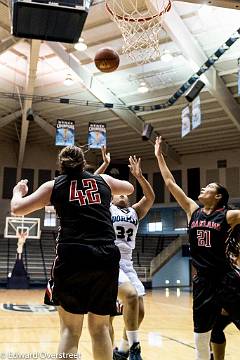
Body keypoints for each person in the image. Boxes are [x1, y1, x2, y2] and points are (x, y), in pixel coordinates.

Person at [11, 145, 134, 360]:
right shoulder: (103, 181)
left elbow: (17, 209)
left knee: (70, 330)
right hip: (105, 257)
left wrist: (17, 192)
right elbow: (129, 188)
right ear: (84, 162)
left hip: (73, 256)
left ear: (61, 165)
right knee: (101, 329)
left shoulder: (54, 185)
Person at [154, 136, 240, 360]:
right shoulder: (193, 210)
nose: (203, 188)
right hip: (202, 281)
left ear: (218, 196)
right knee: (201, 335)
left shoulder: (228, 215)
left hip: (227, 279)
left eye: (209, 187)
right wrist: (159, 157)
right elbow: (171, 184)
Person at [96, 149, 155, 360]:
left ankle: (121, 350)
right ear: (110, 197)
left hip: (128, 264)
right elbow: (92, 184)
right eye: (118, 192)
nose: (122, 194)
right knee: (110, 316)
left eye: (126, 193)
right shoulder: (105, 209)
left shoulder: (135, 212)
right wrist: (103, 165)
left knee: (139, 311)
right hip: (109, 262)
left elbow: (150, 196)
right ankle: (121, 351)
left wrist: (139, 177)